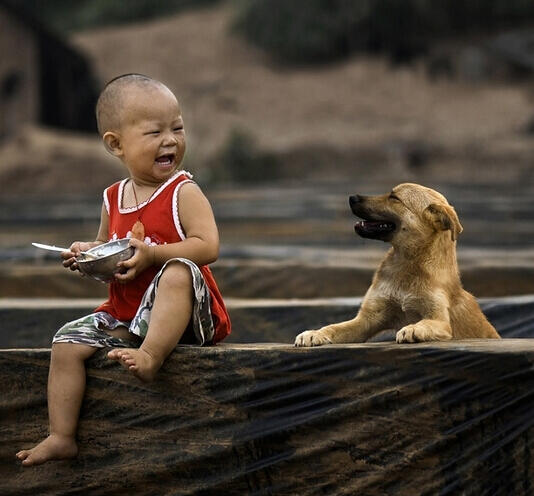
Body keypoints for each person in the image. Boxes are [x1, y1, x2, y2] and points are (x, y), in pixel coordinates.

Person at [16, 74, 231, 467]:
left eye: (178, 128)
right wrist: (88, 255)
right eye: (155, 132)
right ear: (116, 144)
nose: (171, 140)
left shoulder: (184, 191)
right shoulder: (113, 196)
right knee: (64, 344)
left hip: (187, 317)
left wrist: (152, 256)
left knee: (178, 269)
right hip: (130, 314)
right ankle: (61, 435)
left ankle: (150, 356)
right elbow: (109, 247)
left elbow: (208, 246)